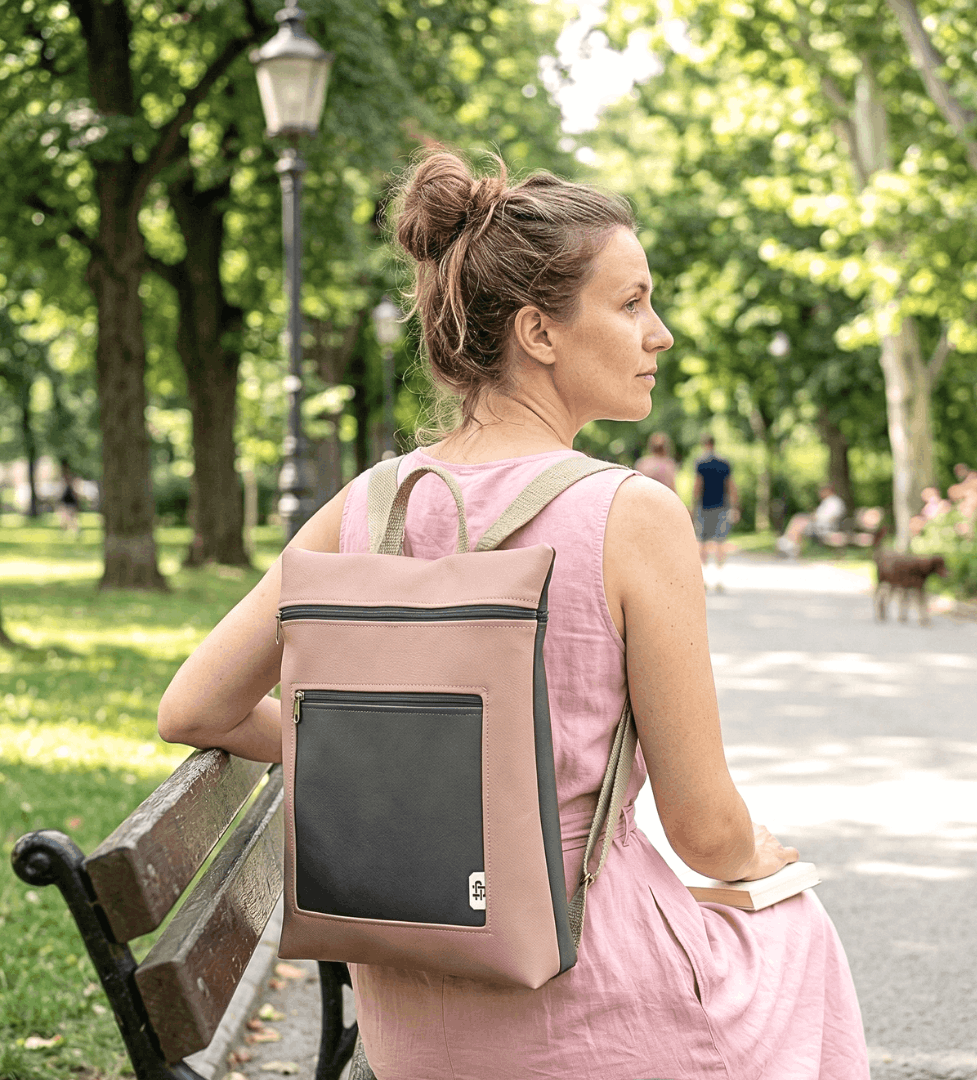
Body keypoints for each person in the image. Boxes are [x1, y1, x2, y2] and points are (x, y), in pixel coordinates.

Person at [157, 150, 869, 1079]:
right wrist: (757, 858)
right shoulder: (631, 515)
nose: (660, 335)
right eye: (631, 303)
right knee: (798, 930)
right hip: (588, 1006)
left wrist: (390, 755)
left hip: (412, 1026)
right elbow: (703, 830)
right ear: (538, 331)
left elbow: (195, 708)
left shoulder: (368, 505)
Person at [693, 434, 738, 570]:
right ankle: (719, 572)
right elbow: (731, 485)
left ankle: (703, 571)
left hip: (704, 505)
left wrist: (693, 505)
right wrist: (735, 506)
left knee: (702, 540)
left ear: (704, 444)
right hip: (721, 505)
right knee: (720, 540)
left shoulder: (700, 462)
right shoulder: (724, 462)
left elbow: (698, 485)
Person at [777, 484, 847, 558]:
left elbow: (827, 517)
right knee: (798, 520)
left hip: (825, 527)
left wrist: (813, 517)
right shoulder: (829, 501)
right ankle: (789, 546)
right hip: (820, 525)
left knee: (799, 522)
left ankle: (788, 547)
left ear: (828, 491)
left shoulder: (834, 502)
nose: (820, 494)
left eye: (821, 491)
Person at [57, 459, 80, 537]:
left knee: (71, 516)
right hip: (66, 498)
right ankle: (69, 529)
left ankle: (74, 529)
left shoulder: (68, 477)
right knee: (66, 516)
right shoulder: (65, 477)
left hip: (69, 498)